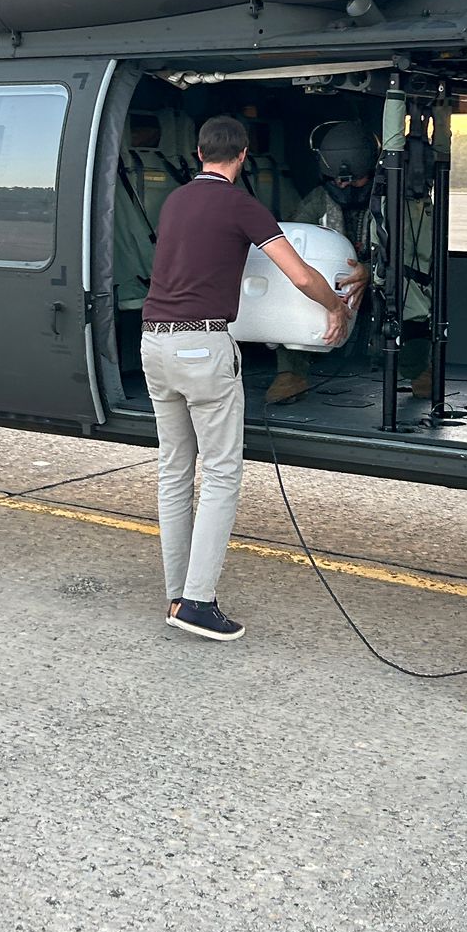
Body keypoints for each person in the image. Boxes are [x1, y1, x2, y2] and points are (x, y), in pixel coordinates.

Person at [141, 111, 350, 642]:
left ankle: (176, 593)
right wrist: (338, 308)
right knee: (221, 473)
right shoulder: (241, 204)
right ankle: (198, 600)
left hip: (153, 343)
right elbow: (300, 273)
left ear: (199, 155)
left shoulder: (175, 201)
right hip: (202, 347)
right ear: (242, 156)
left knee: (173, 470)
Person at [265, 119, 433, 405]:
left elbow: (412, 252)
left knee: (409, 298)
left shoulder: (396, 202)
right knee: (295, 290)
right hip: (335, 283)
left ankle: (418, 372)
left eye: (354, 179)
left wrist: (371, 271)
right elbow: (294, 242)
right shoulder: (318, 200)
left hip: (385, 277)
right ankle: (291, 374)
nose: (344, 185)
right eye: (338, 180)